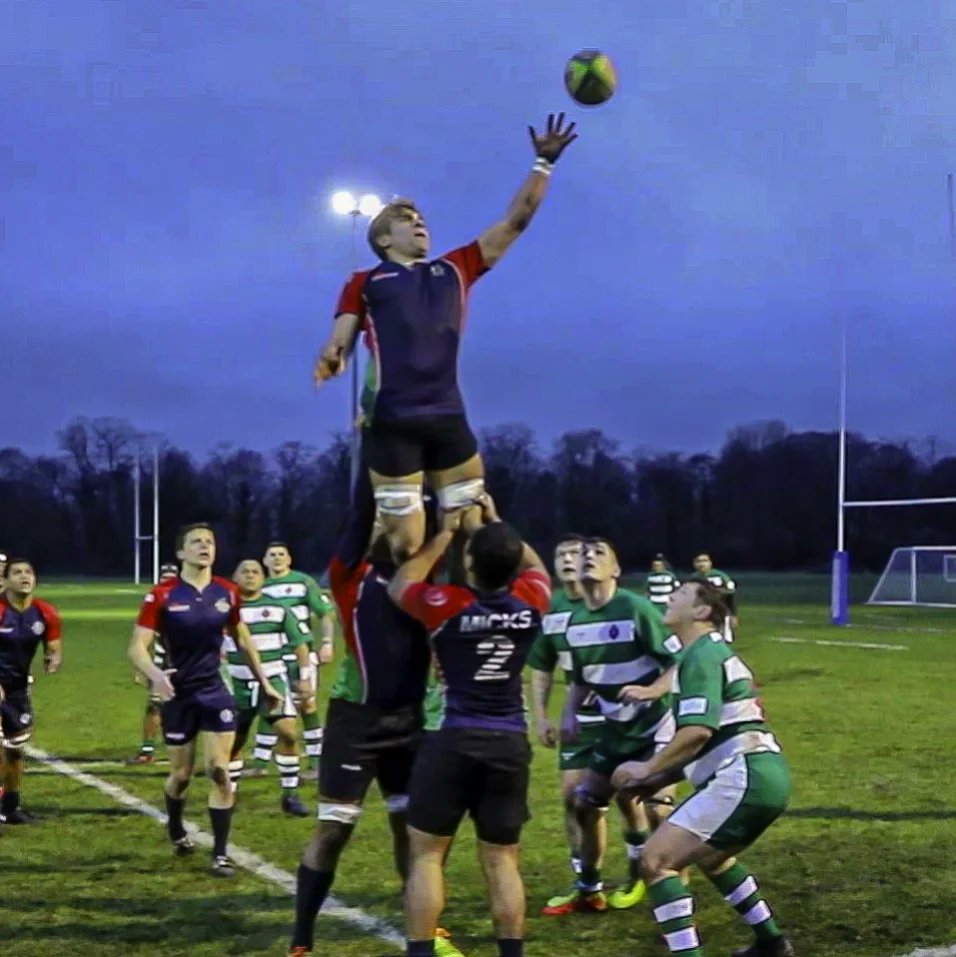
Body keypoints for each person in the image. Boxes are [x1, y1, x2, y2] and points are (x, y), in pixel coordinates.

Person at [313, 114, 578, 566]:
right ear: (382, 236)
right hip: (393, 422)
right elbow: (342, 333)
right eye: (407, 220)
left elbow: (516, 221)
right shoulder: (366, 279)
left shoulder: (455, 268)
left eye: (421, 219)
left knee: (476, 529)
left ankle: (474, 619)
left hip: (447, 416)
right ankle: (393, 605)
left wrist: (543, 163)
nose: (420, 224)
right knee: (406, 545)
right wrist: (333, 354)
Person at [290, 471, 450, 957]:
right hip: (355, 721)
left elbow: (451, 524)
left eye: (402, 516)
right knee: (335, 828)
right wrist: (375, 456)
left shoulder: (431, 580)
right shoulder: (349, 576)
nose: (393, 524)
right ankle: (302, 937)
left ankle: (424, 928)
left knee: (411, 829)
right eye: (386, 517)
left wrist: (444, 476)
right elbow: (360, 515)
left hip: (410, 721)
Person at [388, 496, 551, 957]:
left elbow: (402, 585)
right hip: (508, 742)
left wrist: (443, 534)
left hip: (456, 738)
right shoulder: (531, 600)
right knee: (501, 860)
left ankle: (420, 951)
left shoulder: (448, 604)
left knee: (426, 855)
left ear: (471, 563)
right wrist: (499, 521)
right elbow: (538, 567)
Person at [612, 580, 792, 957]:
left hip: (744, 774)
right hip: (759, 772)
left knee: (657, 860)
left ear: (701, 611)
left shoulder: (700, 656)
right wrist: (661, 778)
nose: (668, 598)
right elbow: (712, 740)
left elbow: (697, 731)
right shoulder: (707, 653)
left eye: (678, 595)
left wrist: (648, 768)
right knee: (713, 857)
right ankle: (771, 942)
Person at [128, 523, 281, 877]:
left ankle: (221, 854)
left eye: (209, 541)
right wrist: (156, 675)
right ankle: (176, 827)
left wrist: (266, 683)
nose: (204, 546)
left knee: (219, 769)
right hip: (177, 693)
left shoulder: (227, 592)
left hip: (215, 690)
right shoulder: (162, 595)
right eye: (196, 542)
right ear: (180, 553)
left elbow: (243, 640)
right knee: (181, 774)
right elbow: (137, 646)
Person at [530, 534, 656, 913]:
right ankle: (587, 882)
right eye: (562, 554)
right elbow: (541, 667)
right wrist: (541, 716)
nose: (570, 560)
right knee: (574, 797)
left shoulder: (624, 606)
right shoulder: (552, 612)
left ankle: (639, 871)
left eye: (577, 553)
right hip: (582, 721)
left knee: (627, 798)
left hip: (624, 718)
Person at [558, 538, 683, 915]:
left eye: (598, 554)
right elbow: (581, 679)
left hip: (656, 726)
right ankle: (590, 889)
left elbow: (680, 660)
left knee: (661, 813)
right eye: (584, 554)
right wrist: (569, 713)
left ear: (615, 571)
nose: (587, 558)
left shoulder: (635, 609)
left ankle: (677, 906)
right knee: (585, 802)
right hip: (615, 731)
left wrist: (652, 690)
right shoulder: (576, 622)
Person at [226, 559, 312, 817]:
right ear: (235, 577)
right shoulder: (225, 609)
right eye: (245, 571)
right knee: (233, 741)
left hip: (273, 681)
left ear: (263, 579)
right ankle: (228, 793)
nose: (250, 576)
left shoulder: (279, 608)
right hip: (234, 682)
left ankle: (290, 794)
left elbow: (300, 644)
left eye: (255, 572)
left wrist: (305, 676)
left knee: (288, 733)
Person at [255, 543, 336, 780]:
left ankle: (316, 763)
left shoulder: (303, 582)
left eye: (282, 554)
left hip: (302, 653)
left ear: (289, 559)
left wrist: (328, 642)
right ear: (265, 560)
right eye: (272, 555)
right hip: (272, 655)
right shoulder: (260, 586)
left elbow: (325, 613)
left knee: (307, 704)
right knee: (271, 705)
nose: (277, 558)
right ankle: (260, 763)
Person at [0, 559, 62, 824]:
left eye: (28, 572)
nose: (24, 576)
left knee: (15, 750)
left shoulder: (45, 612)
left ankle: (11, 808)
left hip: (17, 689)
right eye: (17, 572)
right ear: (5, 581)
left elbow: (54, 645)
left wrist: (53, 656)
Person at [129, 562, 180, 764]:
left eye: (171, 577)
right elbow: (143, 638)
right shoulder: (156, 601)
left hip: (190, 665)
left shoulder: (189, 599)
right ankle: (147, 750)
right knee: (154, 706)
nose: (167, 581)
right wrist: (142, 668)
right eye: (164, 577)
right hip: (162, 664)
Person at [692, 552, 738, 641]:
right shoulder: (692, 579)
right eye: (698, 561)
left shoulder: (720, 576)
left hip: (721, 613)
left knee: (725, 640)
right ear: (694, 564)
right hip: (702, 614)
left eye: (704, 561)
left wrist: (733, 614)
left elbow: (731, 595)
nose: (702, 564)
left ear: (710, 563)